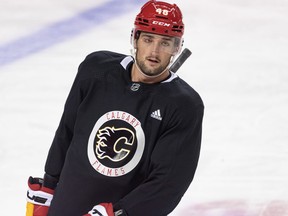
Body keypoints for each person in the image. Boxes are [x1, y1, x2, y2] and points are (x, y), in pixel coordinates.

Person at [26, 0, 204, 215]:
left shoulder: (183, 105)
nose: (154, 51)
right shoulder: (96, 70)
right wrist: (48, 185)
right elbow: (67, 130)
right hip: (67, 204)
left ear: (177, 48)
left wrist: (118, 212)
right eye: (148, 39)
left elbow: (168, 184)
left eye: (165, 43)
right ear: (135, 38)